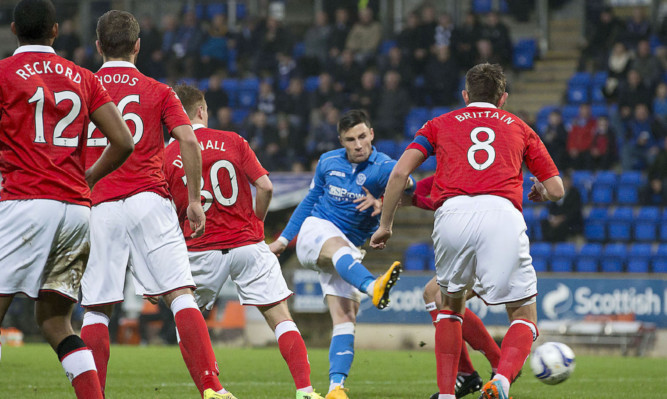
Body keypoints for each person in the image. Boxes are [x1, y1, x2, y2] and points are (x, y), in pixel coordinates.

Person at [371, 63, 564, 399]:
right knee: (523, 314)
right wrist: (541, 192)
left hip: (453, 217)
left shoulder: (439, 124)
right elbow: (557, 189)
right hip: (502, 216)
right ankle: (501, 379)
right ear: (502, 98)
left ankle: (448, 393)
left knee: (448, 304)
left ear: (465, 96)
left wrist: (385, 224)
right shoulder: (519, 127)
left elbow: (400, 172)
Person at [78, 11, 235, 399]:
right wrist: (195, 200)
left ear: (98, 45)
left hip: (99, 205)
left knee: (97, 307)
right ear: (137, 46)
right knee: (181, 294)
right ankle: (211, 388)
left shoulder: (82, 87)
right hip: (150, 200)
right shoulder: (159, 90)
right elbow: (189, 140)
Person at [0, 1, 134, 398]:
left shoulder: (5, 73)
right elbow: (124, 140)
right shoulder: (83, 77)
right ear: (56, 31)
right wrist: (88, 177)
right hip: (76, 209)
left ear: (12, 29)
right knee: (57, 321)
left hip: (25, 201)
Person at [163, 84, 326, 399]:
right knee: (279, 315)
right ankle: (306, 390)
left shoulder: (166, 155)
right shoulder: (233, 141)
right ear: (201, 110)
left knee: (185, 317)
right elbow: (265, 186)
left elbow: (164, 212)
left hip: (199, 248)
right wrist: (257, 221)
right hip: (248, 243)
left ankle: (212, 389)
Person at [269, 109, 413, 399]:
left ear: (371, 134)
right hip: (316, 231)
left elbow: (410, 189)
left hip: (347, 250)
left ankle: (336, 387)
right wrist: (283, 239)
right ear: (341, 140)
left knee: (345, 316)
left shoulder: (385, 167)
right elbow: (309, 201)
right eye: (351, 139)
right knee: (337, 246)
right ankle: (374, 285)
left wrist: (384, 199)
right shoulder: (328, 161)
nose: (358, 144)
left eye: (362, 136)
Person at [407, 176, 502, 399]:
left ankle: (498, 364)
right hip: (471, 233)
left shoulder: (469, 159)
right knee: (433, 294)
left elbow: (443, 199)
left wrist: (410, 200)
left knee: (442, 299)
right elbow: (430, 184)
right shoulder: (452, 160)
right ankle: (467, 372)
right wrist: (402, 192)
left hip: (484, 234)